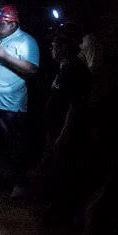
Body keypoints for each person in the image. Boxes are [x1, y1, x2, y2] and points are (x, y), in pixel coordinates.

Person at [0, 4, 40, 197]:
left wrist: (5, 56)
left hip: (9, 103)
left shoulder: (26, 41)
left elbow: (32, 69)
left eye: (1, 23)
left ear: (12, 24)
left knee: (12, 145)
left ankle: (18, 183)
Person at [35, 22, 92, 222]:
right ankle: (53, 207)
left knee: (64, 171)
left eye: (55, 46)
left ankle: (62, 213)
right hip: (55, 128)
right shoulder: (64, 67)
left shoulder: (74, 69)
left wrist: (65, 132)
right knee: (54, 168)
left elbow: (75, 104)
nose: (51, 49)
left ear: (64, 47)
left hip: (64, 130)